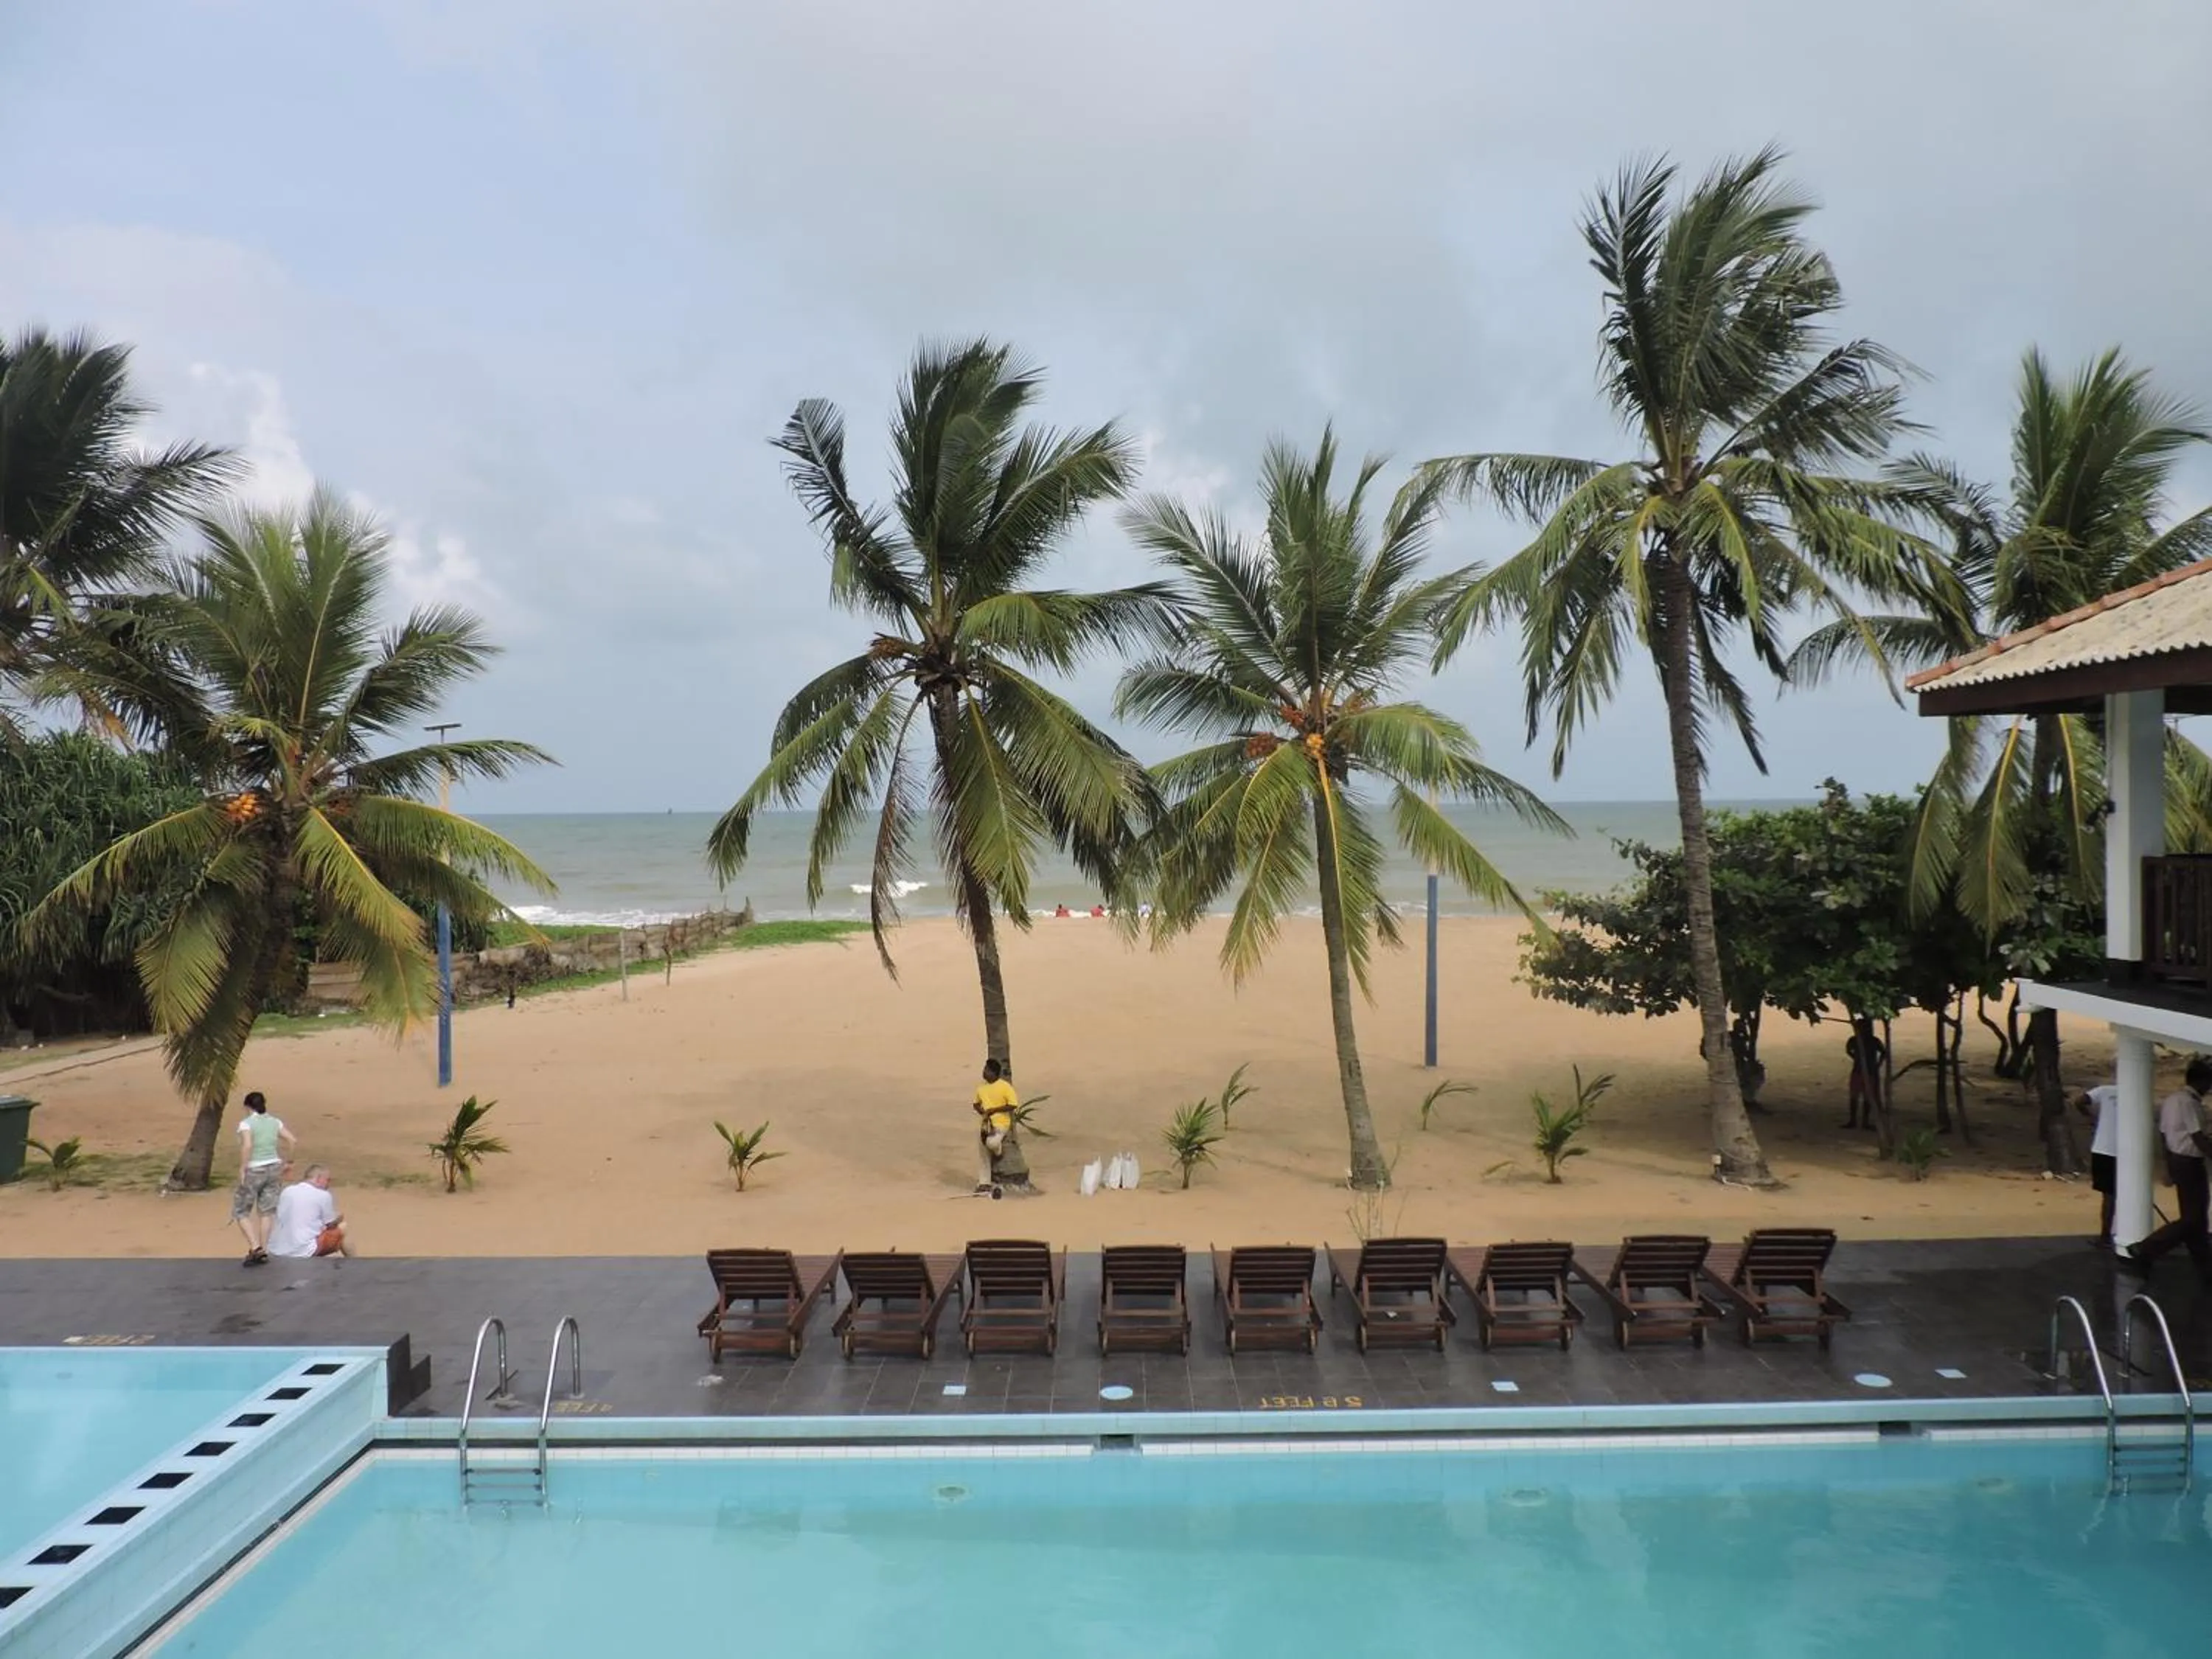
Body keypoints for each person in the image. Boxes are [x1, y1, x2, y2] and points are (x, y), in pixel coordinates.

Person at [2121, 1056, 2212, 1284]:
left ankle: (2205, 1266)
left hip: (2177, 1160)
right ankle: (2146, 1248)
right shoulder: (2190, 1103)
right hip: (2190, 1164)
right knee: (2193, 1218)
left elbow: (2163, 1135)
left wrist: (2168, 1164)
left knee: (2197, 1220)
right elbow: (2198, 1138)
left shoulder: (2172, 1100)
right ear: (2200, 1081)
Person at [231, 1091, 296, 1267]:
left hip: (255, 1168)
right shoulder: (275, 1122)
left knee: (241, 1210)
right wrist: (289, 1162)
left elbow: (247, 1145)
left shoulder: (247, 1124)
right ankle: (264, 1249)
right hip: (274, 1168)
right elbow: (291, 1140)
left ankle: (255, 1246)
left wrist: (242, 1167)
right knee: (266, 1211)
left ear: (247, 1106)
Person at [267, 1164, 351, 1259]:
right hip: (303, 1251)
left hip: (276, 1249)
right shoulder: (323, 1195)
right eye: (327, 1180)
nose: (328, 1184)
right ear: (319, 1178)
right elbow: (330, 1225)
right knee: (343, 1228)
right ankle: (355, 1264)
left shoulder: (287, 1191)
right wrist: (338, 1219)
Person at [2075, 1081, 2119, 1247]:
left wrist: (2091, 1118)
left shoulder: (2104, 1091)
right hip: (2126, 1151)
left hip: (2103, 1148)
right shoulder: (2135, 1093)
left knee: (2108, 1196)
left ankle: (2105, 1235)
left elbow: (2079, 1101)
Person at [972, 1058, 1018, 1196]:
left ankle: (998, 1150)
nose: (984, 1072)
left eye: (987, 1070)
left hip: (1001, 1123)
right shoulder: (981, 1088)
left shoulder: (1004, 1087)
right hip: (986, 1125)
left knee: (992, 1143)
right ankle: (984, 1183)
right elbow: (975, 1104)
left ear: (994, 1073)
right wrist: (983, 1112)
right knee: (983, 1154)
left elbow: (1013, 1104)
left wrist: (993, 1110)